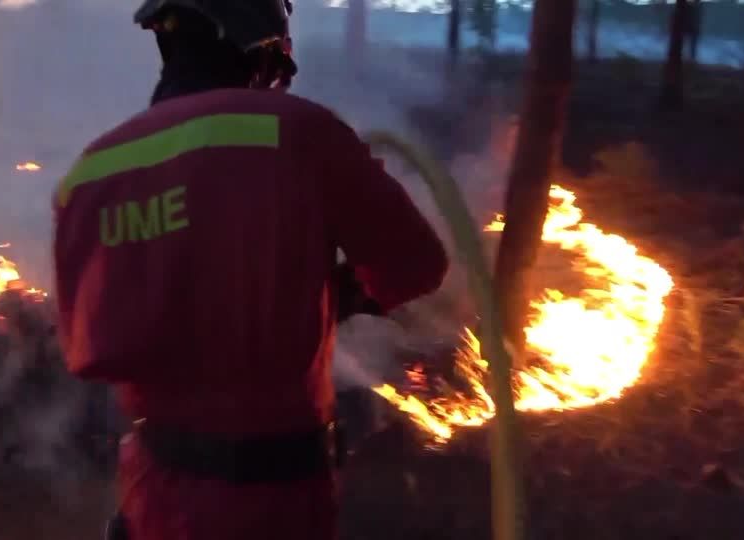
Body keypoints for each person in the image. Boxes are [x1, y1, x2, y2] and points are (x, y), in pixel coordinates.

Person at [51, 1, 449, 539]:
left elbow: (86, 336)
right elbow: (417, 265)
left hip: (152, 490)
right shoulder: (303, 133)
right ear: (258, 49)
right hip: (275, 500)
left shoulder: (93, 171)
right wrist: (339, 294)